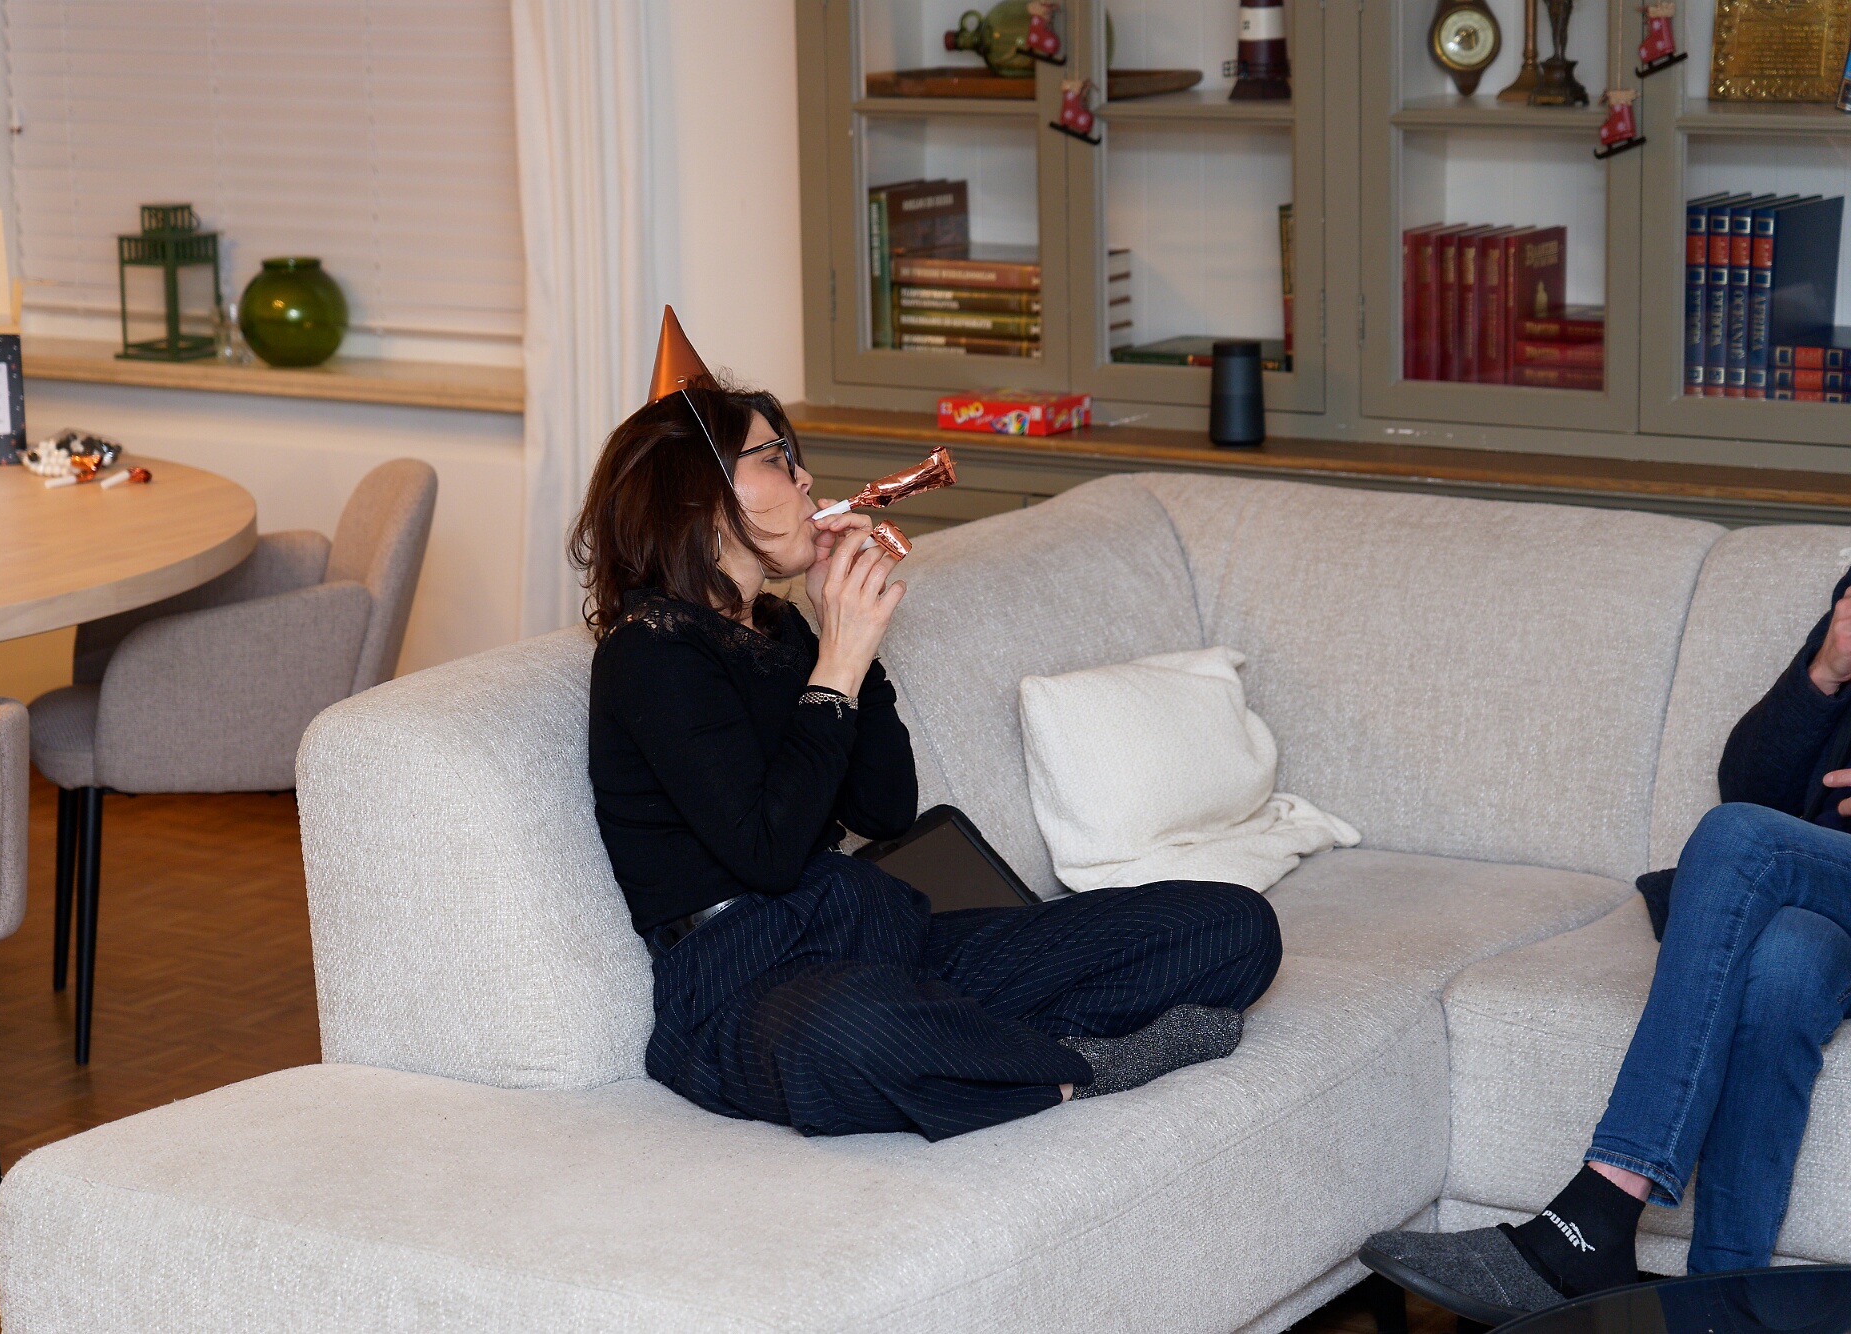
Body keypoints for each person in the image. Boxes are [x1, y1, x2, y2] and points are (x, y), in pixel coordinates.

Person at [572, 309, 1283, 1141]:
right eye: (777, 459)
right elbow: (765, 853)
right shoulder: (651, 650)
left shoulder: (782, 628)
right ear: (700, 492)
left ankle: (990, 1053)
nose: (806, 479)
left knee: (1232, 925)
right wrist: (838, 663)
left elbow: (884, 812)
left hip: (876, 940)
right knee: (855, 1033)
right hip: (744, 980)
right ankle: (1076, 1070)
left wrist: (847, 644)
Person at [1363, 567, 1851, 1320]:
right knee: (1785, 963)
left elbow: (1746, 821)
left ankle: (1597, 1214)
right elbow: (1752, 784)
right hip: (1823, 893)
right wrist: (1824, 672)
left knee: (1737, 840)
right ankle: (1723, 1308)